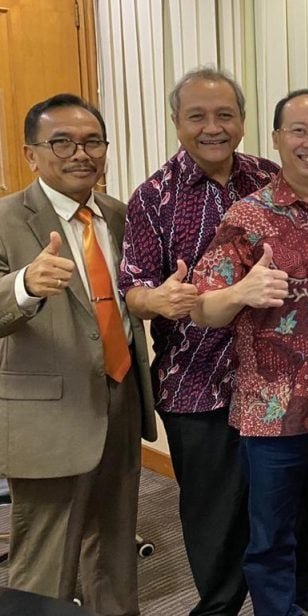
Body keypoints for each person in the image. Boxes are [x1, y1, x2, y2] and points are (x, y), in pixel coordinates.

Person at [190, 89, 308, 616]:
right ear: (276, 139)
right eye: (299, 130)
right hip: (272, 413)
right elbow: (201, 309)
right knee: (272, 535)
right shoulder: (249, 216)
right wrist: (241, 292)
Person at [119, 66, 279, 616]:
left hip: (273, 382)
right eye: (197, 116)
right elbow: (132, 290)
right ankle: (219, 607)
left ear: (242, 120)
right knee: (214, 518)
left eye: (224, 114)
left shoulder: (269, 180)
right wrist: (157, 300)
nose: (213, 127)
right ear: (176, 122)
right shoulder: (153, 197)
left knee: (278, 509)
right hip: (194, 383)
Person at [0, 93, 157, 615]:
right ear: (31, 154)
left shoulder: (118, 214)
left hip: (120, 395)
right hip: (48, 413)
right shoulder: (6, 219)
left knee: (114, 546)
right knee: (45, 561)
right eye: (62, 142)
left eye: (92, 142)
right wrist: (24, 284)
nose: (81, 154)